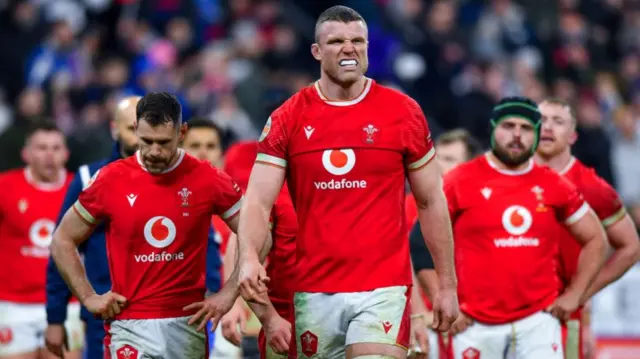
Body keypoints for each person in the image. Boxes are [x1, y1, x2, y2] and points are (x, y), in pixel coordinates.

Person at [232, 5, 459, 358]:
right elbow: (258, 202)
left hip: (383, 287)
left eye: (357, 40)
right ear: (317, 52)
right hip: (313, 290)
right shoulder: (288, 118)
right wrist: (247, 257)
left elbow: (431, 202)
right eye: (336, 41)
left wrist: (447, 285)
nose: (349, 48)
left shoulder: (403, 112)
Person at [49, 92, 244, 358]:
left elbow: (257, 233)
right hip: (128, 323)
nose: (153, 151)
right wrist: (89, 297)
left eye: (163, 142)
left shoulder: (206, 178)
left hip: (187, 324)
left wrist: (229, 293)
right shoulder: (110, 179)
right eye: (146, 141)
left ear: (182, 132)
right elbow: (62, 239)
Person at [419, 97, 608, 359]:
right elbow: (419, 242)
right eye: (508, 126)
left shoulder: (553, 184)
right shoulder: (459, 180)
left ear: (537, 134)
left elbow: (596, 239)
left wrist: (575, 295)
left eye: (527, 128)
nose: (517, 135)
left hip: (538, 322)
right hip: (474, 324)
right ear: (493, 128)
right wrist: (444, 298)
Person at [535, 98, 640, 359]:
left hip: (560, 317)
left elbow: (630, 247)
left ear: (572, 135)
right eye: (540, 121)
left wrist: (580, 293)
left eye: (557, 122)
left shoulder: (591, 186)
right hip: (505, 313)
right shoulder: (508, 179)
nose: (547, 128)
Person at [44, 96, 140, 359]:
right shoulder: (89, 178)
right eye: (132, 128)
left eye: (145, 127)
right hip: (105, 314)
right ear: (114, 129)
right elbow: (62, 247)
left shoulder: (173, 178)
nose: (140, 136)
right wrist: (56, 317)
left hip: (164, 311)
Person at [0, 120, 82, 359]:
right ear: (26, 153)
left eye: (56, 148)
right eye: (42, 148)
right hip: (13, 304)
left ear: (66, 154)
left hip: (67, 304)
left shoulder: (80, 189)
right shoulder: (5, 187)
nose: (49, 155)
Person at [218, 141, 297, 359]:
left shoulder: (344, 189)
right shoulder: (271, 194)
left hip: (336, 314)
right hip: (284, 324)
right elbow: (240, 243)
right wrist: (233, 302)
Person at [408, 129, 483, 359]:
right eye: (436, 158)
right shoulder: (405, 207)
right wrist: (419, 313)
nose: (439, 166)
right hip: (426, 324)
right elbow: (402, 262)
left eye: (450, 159)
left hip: (475, 322)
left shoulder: (479, 207)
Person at [180, 118, 240, 359]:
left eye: (211, 146)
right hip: (179, 316)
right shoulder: (164, 207)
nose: (203, 152)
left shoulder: (240, 210)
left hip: (228, 317)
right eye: (194, 146)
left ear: (223, 156)